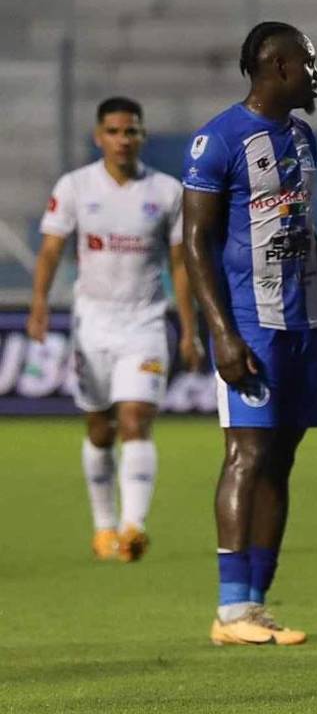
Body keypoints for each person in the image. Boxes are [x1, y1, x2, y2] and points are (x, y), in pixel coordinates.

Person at [183, 21, 317, 647]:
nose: (315, 73)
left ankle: (255, 603)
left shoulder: (301, 137)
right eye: (307, 61)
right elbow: (194, 240)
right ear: (276, 67)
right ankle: (229, 606)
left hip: (303, 319)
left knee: (282, 459)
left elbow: (306, 226)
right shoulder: (217, 140)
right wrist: (220, 332)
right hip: (252, 321)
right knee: (246, 454)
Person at [27, 96, 201, 563]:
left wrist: (189, 329)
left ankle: (133, 528)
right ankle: (104, 526)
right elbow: (50, 251)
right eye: (115, 131)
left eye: (132, 131)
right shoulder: (75, 187)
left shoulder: (166, 191)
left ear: (142, 136)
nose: (124, 140)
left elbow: (180, 265)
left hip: (144, 322)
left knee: (134, 420)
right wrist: (39, 304)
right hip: (92, 323)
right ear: (98, 136)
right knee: (100, 428)